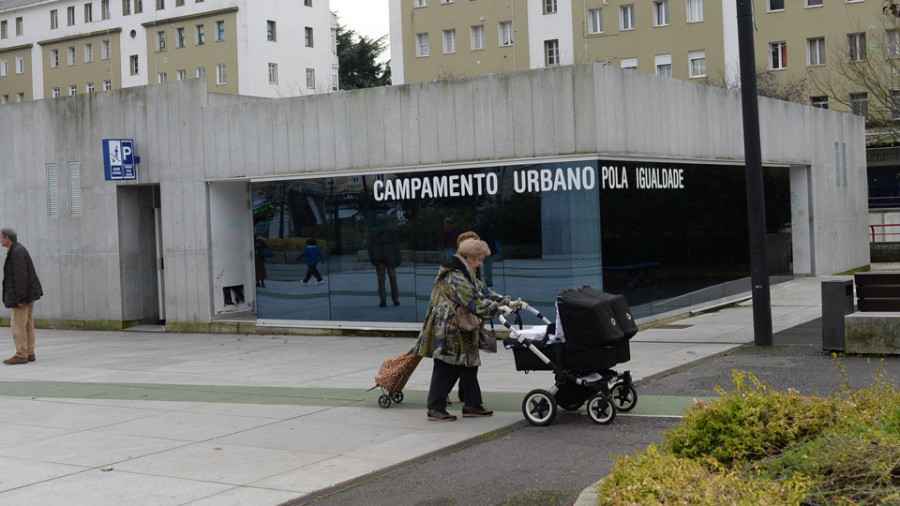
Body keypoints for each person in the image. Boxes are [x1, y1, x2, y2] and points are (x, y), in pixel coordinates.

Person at [413, 238, 526, 421]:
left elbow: (484, 291)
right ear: (468, 257)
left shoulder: (466, 271)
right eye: (479, 259)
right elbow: (472, 299)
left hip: (463, 325)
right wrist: (496, 308)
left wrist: (506, 302)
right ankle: (435, 408)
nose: (480, 263)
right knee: (445, 366)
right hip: (449, 327)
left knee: (469, 365)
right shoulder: (454, 274)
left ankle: (472, 404)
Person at [1, 228, 43, 365]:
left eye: (1, 237)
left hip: (22, 296)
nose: (0, 240)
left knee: (18, 325)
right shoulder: (17, 249)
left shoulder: (17, 252)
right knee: (28, 324)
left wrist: (20, 298)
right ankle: (29, 352)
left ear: (8, 238)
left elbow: (21, 277)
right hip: (28, 294)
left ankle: (21, 354)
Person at [368, 214, 402, 307]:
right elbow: (395, 246)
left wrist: (373, 259)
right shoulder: (390, 231)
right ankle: (396, 299)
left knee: (381, 280)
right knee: (393, 279)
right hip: (390, 258)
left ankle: (383, 300)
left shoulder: (374, 232)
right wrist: (397, 258)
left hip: (379, 259)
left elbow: (370, 247)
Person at [474, 215, 499, 287]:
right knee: (488, 267)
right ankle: (489, 282)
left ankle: (476, 281)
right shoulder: (490, 227)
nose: (477, 222)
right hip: (490, 250)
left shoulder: (482, 229)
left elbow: (481, 239)